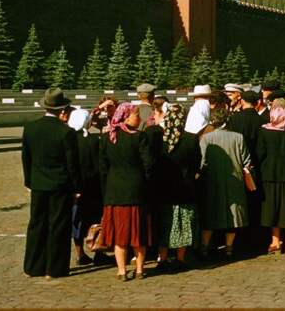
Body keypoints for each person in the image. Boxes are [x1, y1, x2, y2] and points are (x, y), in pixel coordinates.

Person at [22, 88, 81, 279]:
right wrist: (77, 188)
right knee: (58, 226)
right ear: (62, 109)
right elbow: (72, 164)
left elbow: (26, 158)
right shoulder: (66, 132)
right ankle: (54, 269)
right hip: (60, 186)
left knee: (36, 224)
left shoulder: (30, 127)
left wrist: (30, 181)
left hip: (38, 184)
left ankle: (33, 266)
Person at [99, 103, 153, 281]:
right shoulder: (139, 137)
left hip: (114, 192)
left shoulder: (108, 137)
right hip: (136, 191)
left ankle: (122, 271)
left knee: (119, 234)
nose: (139, 118)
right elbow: (148, 164)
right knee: (138, 233)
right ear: (127, 117)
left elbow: (103, 167)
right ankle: (139, 269)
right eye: (136, 115)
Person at [198, 108, 251, 259]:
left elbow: (201, 162)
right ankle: (229, 247)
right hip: (235, 181)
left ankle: (205, 246)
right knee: (233, 217)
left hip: (212, 182)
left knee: (210, 216)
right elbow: (246, 160)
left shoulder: (206, 138)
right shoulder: (238, 137)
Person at [154, 105, 201, 272]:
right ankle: (180, 258)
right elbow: (197, 164)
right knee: (183, 225)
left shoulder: (159, 139)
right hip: (185, 189)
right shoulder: (191, 139)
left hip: (163, 189)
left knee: (163, 225)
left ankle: (163, 258)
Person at [257, 99, 285, 255]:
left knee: (273, 208)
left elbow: (260, 153)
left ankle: (275, 241)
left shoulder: (264, 131)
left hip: (270, 174)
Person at [67, 109, 112, 266]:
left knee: (77, 221)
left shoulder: (68, 138)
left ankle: (80, 253)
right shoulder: (92, 141)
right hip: (93, 187)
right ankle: (98, 251)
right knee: (94, 220)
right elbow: (100, 166)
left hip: (74, 187)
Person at [227, 90, 267, 250]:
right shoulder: (262, 120)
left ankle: (239, 238)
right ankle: (255, 238)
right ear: (257, 103)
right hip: (255, 166)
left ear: (242, 101)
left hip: (237, 165)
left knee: (239, 203)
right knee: (255, 202)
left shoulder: (234, 119)